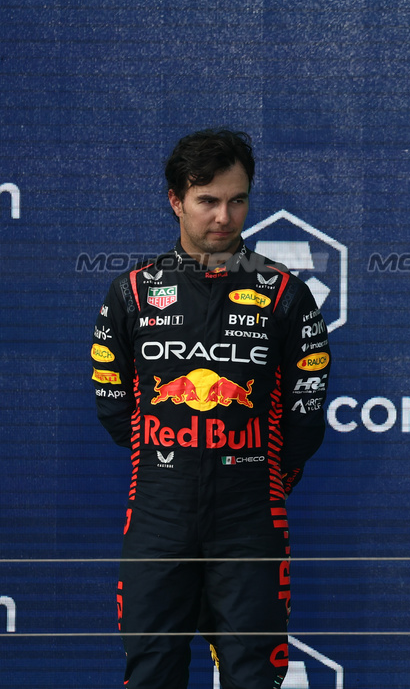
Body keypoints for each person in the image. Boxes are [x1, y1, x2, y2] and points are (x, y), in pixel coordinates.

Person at [93, 129, 330, 688]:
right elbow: (113, 409)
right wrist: (171, 461)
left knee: (253, 677)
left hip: (250, 518)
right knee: (152, 672)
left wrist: (254, 474)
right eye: (207, 200)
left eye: (238, 199)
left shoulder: (285, 294)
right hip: (157, 513)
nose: (225, 216)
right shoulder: (132, 292)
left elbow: (304, 422)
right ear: (176, 201)